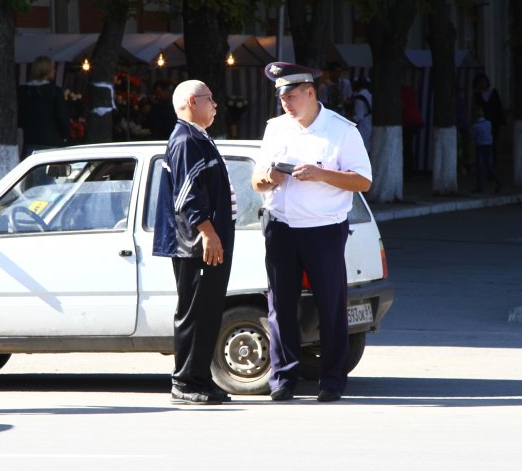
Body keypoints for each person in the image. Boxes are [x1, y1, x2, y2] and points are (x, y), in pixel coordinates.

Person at [251, 62, 372, 403]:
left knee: (330, 305)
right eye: (281, 98)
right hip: (280, 226)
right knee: (280, 305)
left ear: (310, 92)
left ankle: (331, 380)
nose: (286, 104)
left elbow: (363, 181)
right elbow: (257, 180)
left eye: (291, 96)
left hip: (323, 229)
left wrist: (321, 174)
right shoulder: (276, 129)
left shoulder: (341, 129)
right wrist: (270, 179)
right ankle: (283, 378)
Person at [152, 80, 236, 405]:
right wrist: (208, 232)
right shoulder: (185, 139)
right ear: (191, 101)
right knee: (194, 312)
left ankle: (200, 377)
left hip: (208, 240)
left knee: (209, 310)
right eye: (209, 98)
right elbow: (186, 195)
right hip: (196, 243)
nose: (215, 104)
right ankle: (185, 382)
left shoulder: (199, 137)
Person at [17, 55, 70, 158]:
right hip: (53, 142)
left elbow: (20, 119)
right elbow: (62, 117)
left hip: (31, 141)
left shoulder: (23, 91)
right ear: (48, 70)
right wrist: (65, 136)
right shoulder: (55, 91)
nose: (54, 71)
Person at [472, 73, 505, 166]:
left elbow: (499, 107)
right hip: (482, 123)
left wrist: (500, 119)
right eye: (480, 82)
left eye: (484, 82)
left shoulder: (493, 92)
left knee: (492, 144)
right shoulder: (478, 95)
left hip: (494, 123)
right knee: (483, 145)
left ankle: (492, 165)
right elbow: (477, 107)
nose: (482, 84)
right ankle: (486, 165)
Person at [471, 106, 502, 194]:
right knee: (490, 166)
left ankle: (479, 187)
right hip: (489, 146)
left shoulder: (475, 126)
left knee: (480, 168)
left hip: (480, 147)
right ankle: (498, 181)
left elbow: (473, 137)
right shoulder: (489, 123)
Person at [350, 77, 373, 156]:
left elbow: (359, 116)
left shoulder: (360, 96)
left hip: (363, 126)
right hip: (369, 123)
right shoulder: (369, 94)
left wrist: (347, 120)